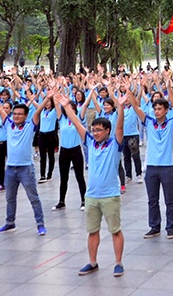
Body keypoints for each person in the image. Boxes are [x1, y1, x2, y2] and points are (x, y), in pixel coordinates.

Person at [61, 89, 126, 277]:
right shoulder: (89, 142)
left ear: (107, 131)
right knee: (92, 231)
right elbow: (76, 123)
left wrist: (120, 107)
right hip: (91, 196)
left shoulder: (115, 144)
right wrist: (66, 106)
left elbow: (120, 128)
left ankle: (118, 262)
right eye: (94, 130)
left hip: (110, 195)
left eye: (99, 130)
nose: (95, 133)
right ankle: (92, 262)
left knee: (115, 231)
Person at [0, 92, 47, 236]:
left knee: (33, 197)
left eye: (19, 114)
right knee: (10, 198)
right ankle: (9, 223)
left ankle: (40, 224)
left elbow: (38, 111)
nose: (16, 116)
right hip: (10, 168)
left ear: (25, 116)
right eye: (14, 113)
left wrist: (48, 98)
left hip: (26, 168)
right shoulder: (9, 125)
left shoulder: (30, 126)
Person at [131, 87, 173, 239]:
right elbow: (136, 107)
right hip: (151, 166)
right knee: (152, 200)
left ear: (166, 110)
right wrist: (129, 92)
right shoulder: (149, 122)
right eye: (155, 109)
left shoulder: (172, 123)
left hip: (166, 167)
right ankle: (154, 226)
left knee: (169, 199)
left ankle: (170, 228)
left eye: (160, 109)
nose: (157, 111)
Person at [52, 90, 89, 211]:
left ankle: (84, 200)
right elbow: (56, 105)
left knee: (79, 176)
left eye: (72, 108)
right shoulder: (62, 118)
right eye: (68, 108)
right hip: (64, 151)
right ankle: (61, 201)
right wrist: (54, 93)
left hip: (76, 150)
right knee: (64, 177)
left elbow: (84, 105)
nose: (70, 110)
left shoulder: (79, 119)